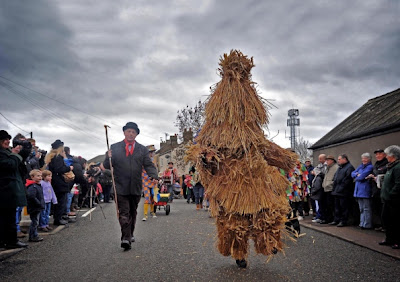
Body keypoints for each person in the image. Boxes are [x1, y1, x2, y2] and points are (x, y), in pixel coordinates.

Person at [101, 122, 158, 251]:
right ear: (124, 133)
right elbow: (107, 165)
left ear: (136, 134)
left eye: (133, 132)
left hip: (135, 186)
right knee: (124, 212)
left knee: (133, 211)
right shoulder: (115, 147)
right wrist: (107, 157)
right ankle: (125, 238)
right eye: (128, 131)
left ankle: (130, 234)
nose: (131, 134)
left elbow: (148, 165)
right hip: (120, 186)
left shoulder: (142, 149)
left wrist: (154, 176)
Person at [0, 130, 28, 249]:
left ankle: (11, 240)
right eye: (5, 139)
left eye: (8, 139)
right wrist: (15, 154)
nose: (8, 141)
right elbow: (9, 165)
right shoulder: (3, 153)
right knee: (4, 218)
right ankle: (7, 241)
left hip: (10, 189)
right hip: (4, 189)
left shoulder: (7, 151)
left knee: (9, 217)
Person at [45, 139, 73, 226]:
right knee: (61, 201)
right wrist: (69, 168)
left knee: (58, 201)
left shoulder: (50, 157)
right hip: (59, 182)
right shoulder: (57, 157)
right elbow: (59, 169)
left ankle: (58, 218)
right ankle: (58, 219)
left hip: (54, 181)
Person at [379, 145, 400, 249]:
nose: (385, 156)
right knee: (386, 220)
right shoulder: (391, 166)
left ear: (392, 156)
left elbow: (398, 184)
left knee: (395, 221)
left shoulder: (398, 167)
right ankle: (389, 239)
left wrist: (391, 194)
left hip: (394, 200)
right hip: (387, 199)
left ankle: (397, 241)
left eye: (387, 155)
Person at [331, 154, 355, 227]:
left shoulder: (349, 167)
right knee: (337, 207)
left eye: (339, 159)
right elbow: (335, 178)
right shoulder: (340, 168)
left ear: (344, 159)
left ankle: (343, 221)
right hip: (337, 191)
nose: (338, 161)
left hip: (344, 192)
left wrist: (340, 188)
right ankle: (336, 219)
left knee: (344, 207)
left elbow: (347, 180)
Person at [351, 153, 374, 229]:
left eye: (365, 158)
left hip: (365, 190)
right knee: (361, 208)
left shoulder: (370, 167)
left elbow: (361, 177)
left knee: (366, 208)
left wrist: (358, 176)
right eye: (363, 158)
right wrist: (357, 175)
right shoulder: (360, 166)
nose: (363, 160)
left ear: (369, 159)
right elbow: (352, 173)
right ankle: (362, 223)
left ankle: (367, 224)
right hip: (358, 191)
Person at [369, 149, 388, 231]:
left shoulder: (387, 164)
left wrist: (376, 178)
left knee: (384, 209)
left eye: (380, 154)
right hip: (375, 190)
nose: (378, 156)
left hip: (383, 191)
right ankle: (381, 225)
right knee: (378, 209)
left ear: (384, 155)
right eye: (376, 154)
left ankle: (386, 226)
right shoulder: (376, 164)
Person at [26, 169, 45, 242]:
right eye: (38, 176)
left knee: (35, 222)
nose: (40, 177)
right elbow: (31, 197)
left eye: (40, 176)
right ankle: (32, 236)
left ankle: (34, 235)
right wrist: (39, 203)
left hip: (37, 207)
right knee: (34, 222)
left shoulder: (37, 185)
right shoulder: (33, 186)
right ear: (32, 177)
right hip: (34, 207)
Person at [320, 155, 339, 224]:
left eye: (328, 160)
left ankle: (332, 219)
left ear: (332, 161)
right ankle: (327, 218)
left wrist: (330, 184)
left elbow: (335, 179)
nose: (326, 161)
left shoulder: (336, 167)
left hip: (331, 189)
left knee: (331, 205)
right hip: (326, 188)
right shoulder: (328, 168)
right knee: (326, 205)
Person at [142, 145, 158, 221]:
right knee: (147, 196)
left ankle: (152, 212)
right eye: (151, 152)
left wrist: (156, 178)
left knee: (153, 197)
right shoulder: (143, 161)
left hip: (153, 182)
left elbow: (155, 171)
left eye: (153, 152)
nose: (152, 154)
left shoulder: (154, 161)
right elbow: (142, 172)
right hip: (145, 181)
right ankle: (145, 215)